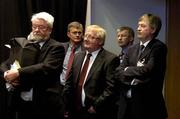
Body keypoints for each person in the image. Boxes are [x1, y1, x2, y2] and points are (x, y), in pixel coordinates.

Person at [2, 12, 65, 119]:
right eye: (34, 26)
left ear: (50, 30)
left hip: (44, 104)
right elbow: (7, 62)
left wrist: (18, 73)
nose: (36, 30)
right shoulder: (23, 44)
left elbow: (46, 67)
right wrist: (6, 73)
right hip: (22, 102)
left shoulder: (56, 47)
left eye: (41, 27)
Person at [115, 13, 168, 119]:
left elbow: (147, 70)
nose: (138, 29)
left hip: (148, 106)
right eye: (138, 25)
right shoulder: (131, 49)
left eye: (143, 26)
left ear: (153, 29)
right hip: (127, 106)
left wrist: (127, 70)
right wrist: (132, 79)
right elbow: (118, 72)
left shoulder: (158, 47)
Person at [63, 25, 119, 119]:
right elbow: (69, 83)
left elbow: (111, 88)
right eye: (86, 36)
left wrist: (96, 106)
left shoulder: (110, 59)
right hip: (75, 110)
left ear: (100, 41)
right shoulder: (78, 56)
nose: (86, 39)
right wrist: (65, 104)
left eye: (91, 37)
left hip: (95, 111)